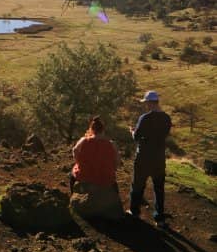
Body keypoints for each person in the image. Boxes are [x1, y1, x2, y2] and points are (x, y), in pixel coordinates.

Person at [128, 90, 172, 228]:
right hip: (159, 158)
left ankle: (134, 211)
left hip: (143, 157)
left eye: (145, 103)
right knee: (159, 188)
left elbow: (136, 137)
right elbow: (164, 135)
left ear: (148, 103)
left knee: (138, 185)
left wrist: (132, 131)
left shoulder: (144, 118)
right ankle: (159, 218)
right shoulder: (167, 118)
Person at [70, 116, 120, 194]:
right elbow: (117, 160)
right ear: (103, 130)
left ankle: (72, 193)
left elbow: (75, 150)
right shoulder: (111, 144)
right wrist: (113, 169)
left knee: (72, 177)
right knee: (114, 185)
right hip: (105, 177)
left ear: (92, 129)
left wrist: (78, 162)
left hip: (85, 175)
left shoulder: (84, 140)